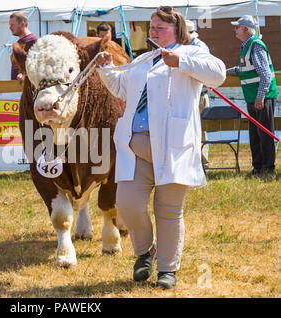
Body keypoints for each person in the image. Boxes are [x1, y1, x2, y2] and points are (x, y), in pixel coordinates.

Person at [95, 6, 226, 289]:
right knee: (127, 205)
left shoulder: (192, 53)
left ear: (177, 30)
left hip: (173, 147)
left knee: (168, 211)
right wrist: (106, 69)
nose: (153, 32)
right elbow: (122, 89)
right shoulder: (144, 58)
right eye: (151, 28)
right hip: (136, 147)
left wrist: (182, 62)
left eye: (159, 28)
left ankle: (168, 269)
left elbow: (218, 74)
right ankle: (146, 251)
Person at [227, 15, 278, 176]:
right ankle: (257, 167)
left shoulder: (256, 45)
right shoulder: (247, 46)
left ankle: (268, 168)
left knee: (264, 133)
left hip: (262, 97)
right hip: (253, 97)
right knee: (255, 134)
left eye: (237, 27)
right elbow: (243, 69)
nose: (235, 29)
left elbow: (265, 75)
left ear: (246, 29)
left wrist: (260, 96)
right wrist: (222, 73)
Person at [186, 19, 211, 166]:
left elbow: (203, 70)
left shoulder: (199, 48)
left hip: (198, 95)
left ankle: (202, 162)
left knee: (200, 129)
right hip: (188, 94)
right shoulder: (185, 46)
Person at [9, 11, 38, 82]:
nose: (10, 28)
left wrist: (25, 75)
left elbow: (38, 66)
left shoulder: (34, 41)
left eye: (12, 25)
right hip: (15, 88)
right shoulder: (18, 43)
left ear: (22, 24)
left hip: (28, 89)